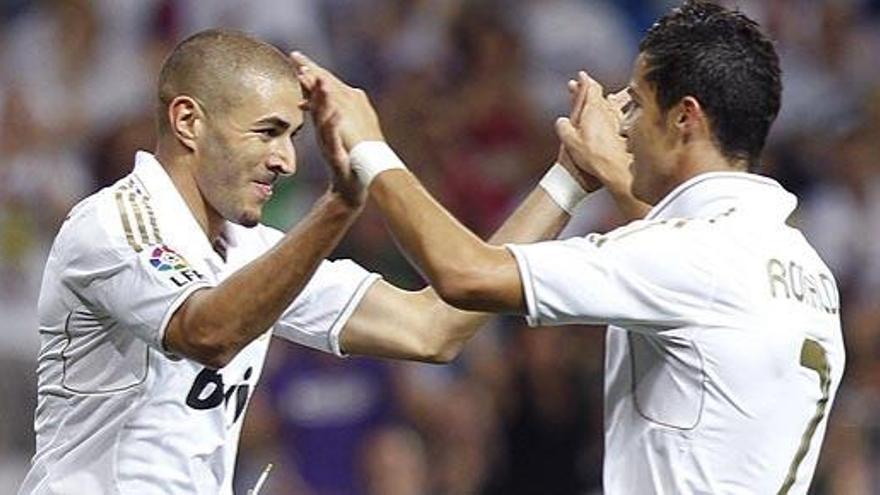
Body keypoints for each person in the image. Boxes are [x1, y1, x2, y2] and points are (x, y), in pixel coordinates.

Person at [18, 29, 640, 495]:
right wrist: (341, 205)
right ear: (188, 122)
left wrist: (569, 179)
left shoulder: (252, 251)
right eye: (267, 132)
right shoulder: (114, 225)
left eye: (293, 135)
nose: (287, 160)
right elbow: (206, 332)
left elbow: (432, 328)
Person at [294, 1, 846, 493]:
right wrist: (592, 175)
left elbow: (465, 275)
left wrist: (369, 144)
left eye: (634, 104)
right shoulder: (800, 262)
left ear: (685, 117)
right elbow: (687, 271)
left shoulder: (691, 259)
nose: (623, 127)